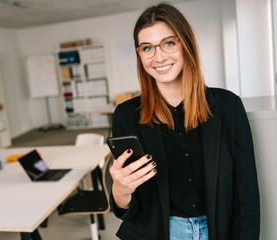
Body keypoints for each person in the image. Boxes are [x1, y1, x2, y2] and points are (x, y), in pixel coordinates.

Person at [108, 3, 260, 240]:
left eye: (168, 43)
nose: (158, 57)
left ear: (185, 44)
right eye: (147, 48)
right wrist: (120, 188)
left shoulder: (228, 106)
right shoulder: (127, 114)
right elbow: (123, 209)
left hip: (218, 230)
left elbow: (246, 193)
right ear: (139, 54)